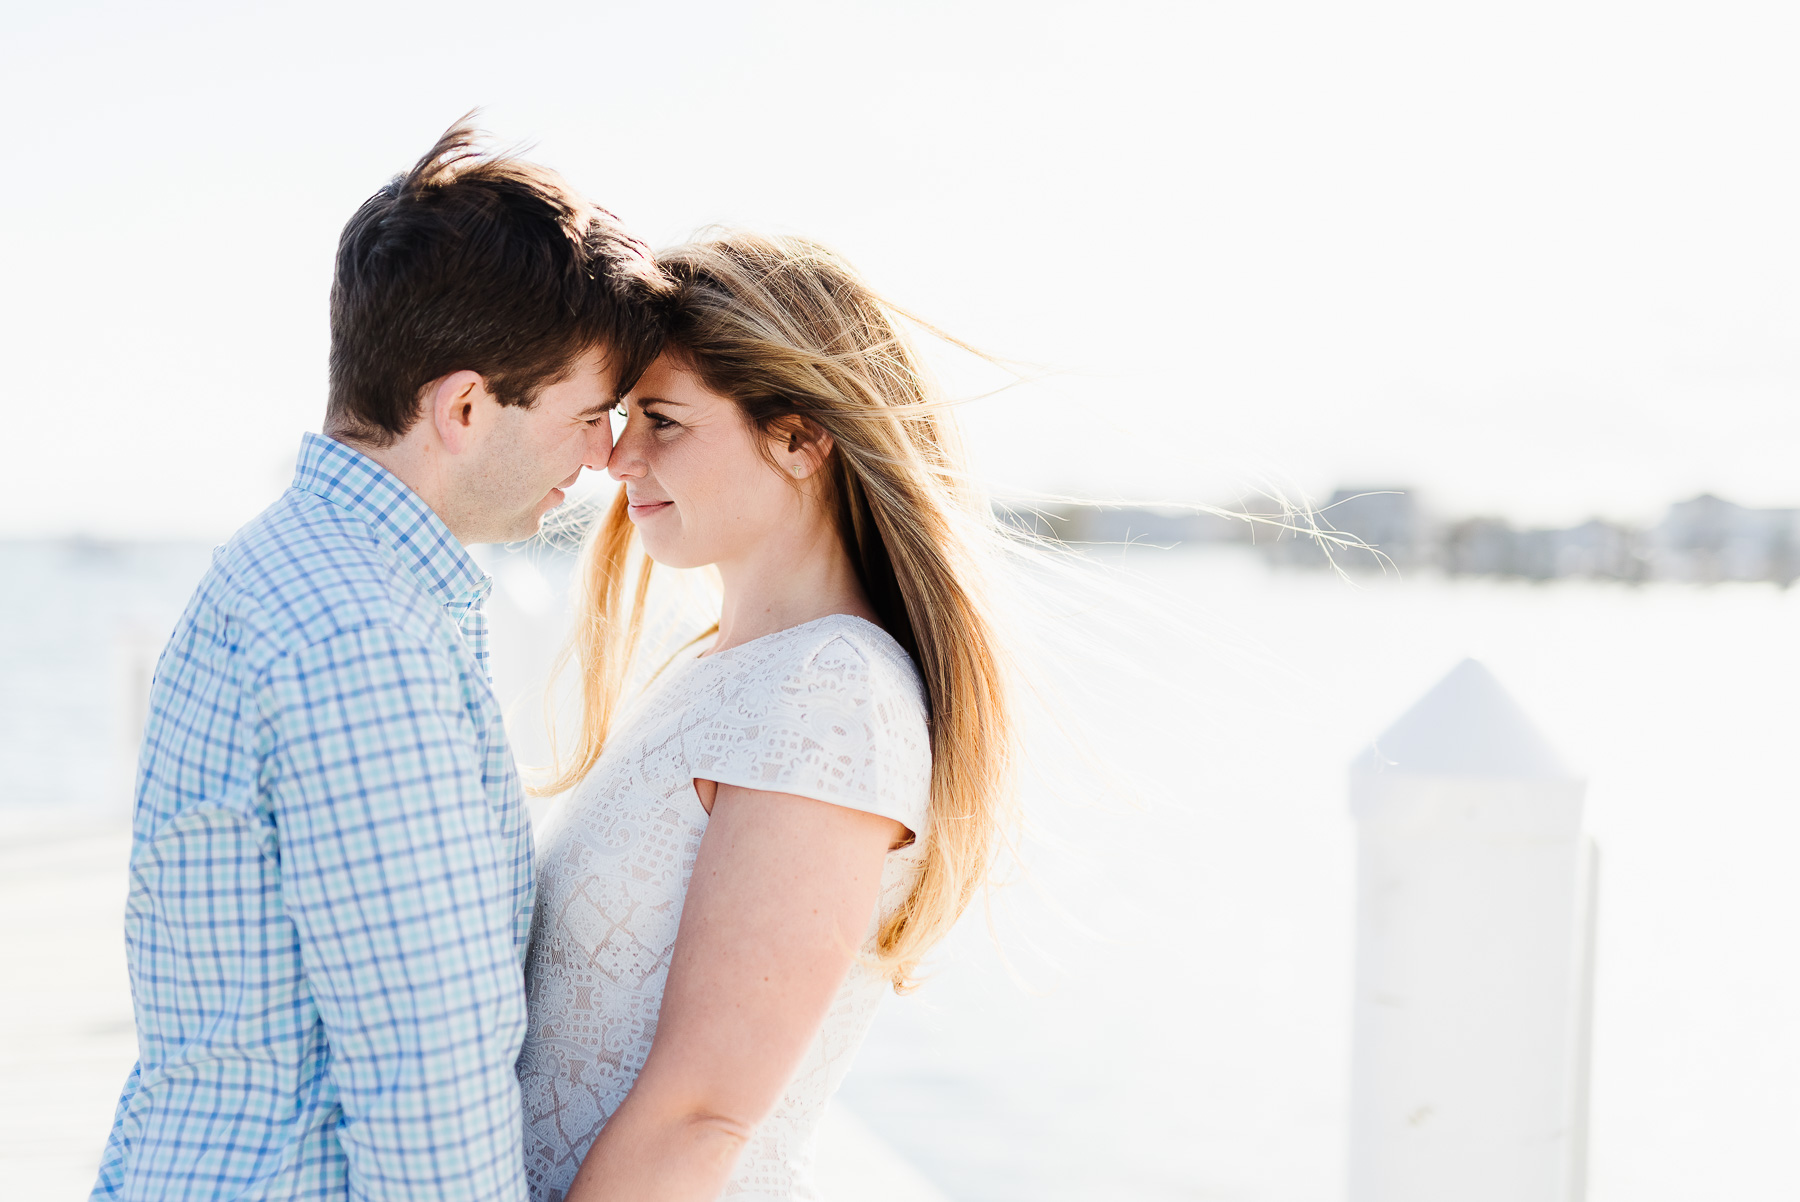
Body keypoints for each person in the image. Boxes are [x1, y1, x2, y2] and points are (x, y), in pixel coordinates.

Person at [91, 121, 668, 1201]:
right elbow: (429, 1082)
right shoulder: (362, 637)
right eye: (589, 414)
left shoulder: (300, 573)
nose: (606, 454)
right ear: (460, 407)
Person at [517, 231, 1020, 1201]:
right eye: (625, 417)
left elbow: (703, 1112)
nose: (617, 455)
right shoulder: (721, 670)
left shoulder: (833, 694)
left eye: (662, 419)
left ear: (800, 435)